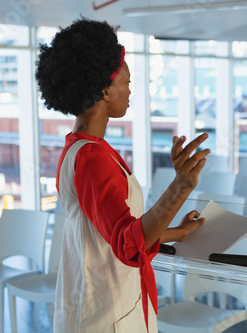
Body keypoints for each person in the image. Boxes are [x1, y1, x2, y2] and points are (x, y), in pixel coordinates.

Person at [36, 18, 210, 333]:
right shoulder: (91, 158)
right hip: (106, 317)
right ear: (105, 89)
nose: (130, 90)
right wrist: (180, 187)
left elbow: (110, 233)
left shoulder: (82, 149)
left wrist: (176, 233)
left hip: (105, 308)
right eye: (126, 82)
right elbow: (128, 244)